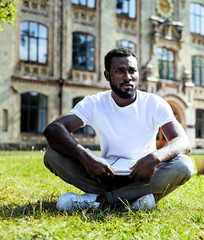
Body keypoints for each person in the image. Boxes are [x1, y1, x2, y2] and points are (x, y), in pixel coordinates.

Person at [43, 47, 194, 211]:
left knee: (184, 164)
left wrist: (154, 158)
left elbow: (182, 141)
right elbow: (54, 129)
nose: (128, 77)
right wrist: (87, 158)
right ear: (107, 75)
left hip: (144, 177)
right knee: (52, 154)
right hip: (103, 175)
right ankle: (135, 200)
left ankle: (99, 201)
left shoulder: (154, 103)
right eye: (120, 71)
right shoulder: (95, 103)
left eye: (132, 71)